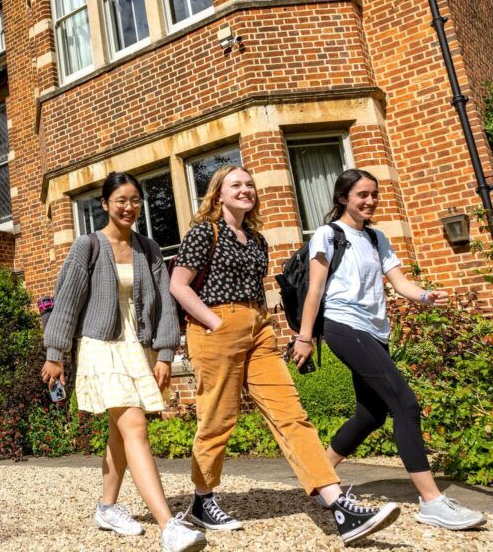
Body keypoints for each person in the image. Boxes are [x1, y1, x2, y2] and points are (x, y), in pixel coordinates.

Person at [169, 165, 400, 544]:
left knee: (291, 413)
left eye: (249, 184)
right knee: (218, 419)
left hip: (258, 329)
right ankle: (202, 498)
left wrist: (269, 327)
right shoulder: (204, 233)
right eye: (236, 185)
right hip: (216, 328)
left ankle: (337, 504)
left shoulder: (257, 239)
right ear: (218, 194)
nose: (246, 190)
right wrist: (215, 322)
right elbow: (179, 285)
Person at [295, 168, 487, 530]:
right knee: (405, 403)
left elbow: (400, 283)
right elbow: (315, 290)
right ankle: (432, 502)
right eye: (361, 195)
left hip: (375, 331)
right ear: (342, 199)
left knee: (371, 415)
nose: (370, 201)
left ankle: (316, 477)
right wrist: (305, 337)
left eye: (373, 194)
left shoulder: (376, 237)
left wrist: (426, 296)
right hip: (343, 326)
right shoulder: (328, 234)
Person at [42, 172, 207, 552]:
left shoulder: (148, 249)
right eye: (121, 200)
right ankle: (169, 527)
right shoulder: (87, 246)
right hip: (101, 344)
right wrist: (56, 354)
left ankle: (107, 506)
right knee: (134, 425)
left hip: (139, 344)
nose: (129, 207)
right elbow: (66, 302)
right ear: (104, 203)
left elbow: (166, 304)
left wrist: (166, 353)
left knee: (120, 431)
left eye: (135, 200)